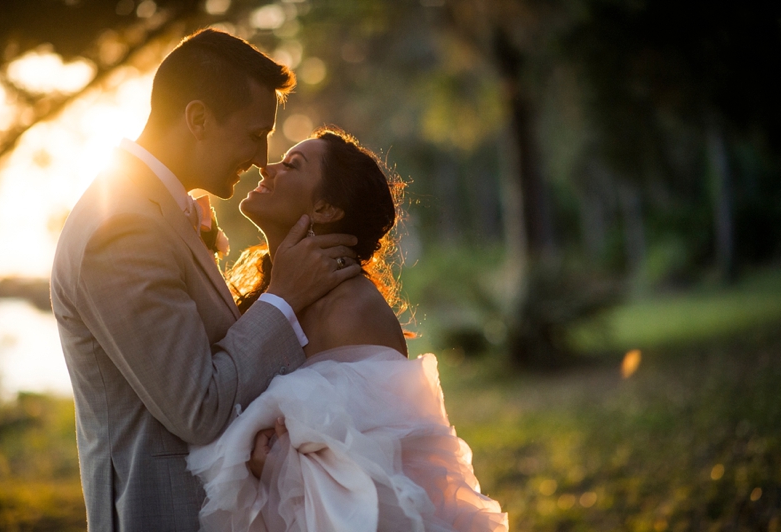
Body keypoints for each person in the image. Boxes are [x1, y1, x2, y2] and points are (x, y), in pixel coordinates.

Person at [50, 29, 360, 531]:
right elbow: (199, 407)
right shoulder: (122, 227)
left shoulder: (157, 212)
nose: (262, 157)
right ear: (197, 118)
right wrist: (281, 298)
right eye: (254, 132)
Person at [187, 127, 509, 531]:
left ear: (324, 209)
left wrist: (273, 460)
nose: (264, 168)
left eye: (291, 165)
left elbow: (366, 477)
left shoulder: (351, 310)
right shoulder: (272, 292)